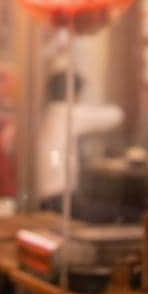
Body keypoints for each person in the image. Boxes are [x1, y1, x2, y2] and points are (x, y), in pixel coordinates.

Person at [36, 70, 123, 211]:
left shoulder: (48, 112)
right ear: (73, 94)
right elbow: (116, 116)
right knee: (130, 215)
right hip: (58, 197)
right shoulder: (65, 112)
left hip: (46, 196)